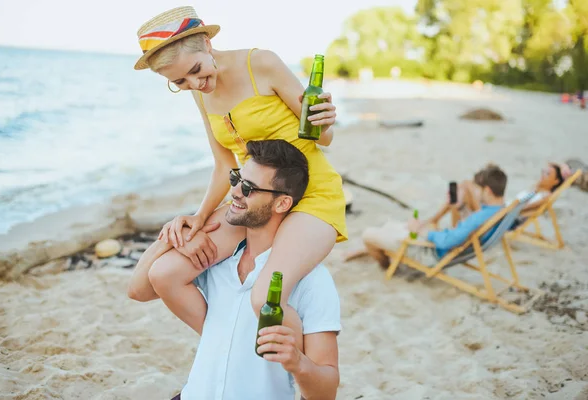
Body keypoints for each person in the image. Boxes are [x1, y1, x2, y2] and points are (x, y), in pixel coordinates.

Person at [130, 6, 347, 333]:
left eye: (196, 70)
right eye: (179, 82)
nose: (195, 84)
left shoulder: (261, 63)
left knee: (264, 299)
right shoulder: (200, 93)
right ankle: (221, 348)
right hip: (252, 199)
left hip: (311, 196)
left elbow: (324, 137)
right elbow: (223, 166)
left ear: (205, 42)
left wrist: (325, 118)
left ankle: (299, 362)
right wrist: (198, 218)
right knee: (165, 275)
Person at [131, 140, 341, 400]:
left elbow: (327, 391)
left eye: (249, 188)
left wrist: (298, 361)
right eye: (236, 178)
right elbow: (138, 289)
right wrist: (173, 235)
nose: (235, 192)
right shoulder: (217, 260)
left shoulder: (310, 280)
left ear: (282, 204)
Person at [361, 166, 508, 268]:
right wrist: (461, 208)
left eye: (477, 190)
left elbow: (447, 241)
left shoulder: (481, 217)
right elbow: (466, 231)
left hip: (431, 254)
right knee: (390, 226)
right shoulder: (501, 212)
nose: (475, 194)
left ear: (487, 191)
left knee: (368, 234)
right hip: (443, 245)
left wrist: (422, 231)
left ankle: (390, 268)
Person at [426, 163, 563, 229]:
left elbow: (519, 209)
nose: (542, 175)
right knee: (463, 189)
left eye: (547, 174)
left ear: (556, 181)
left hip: (499, 217)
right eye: (543, 170)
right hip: (499, 213)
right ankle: (444, 223)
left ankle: (448, 225)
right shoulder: (535, 190)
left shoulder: (545, 196)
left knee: (465, 186)